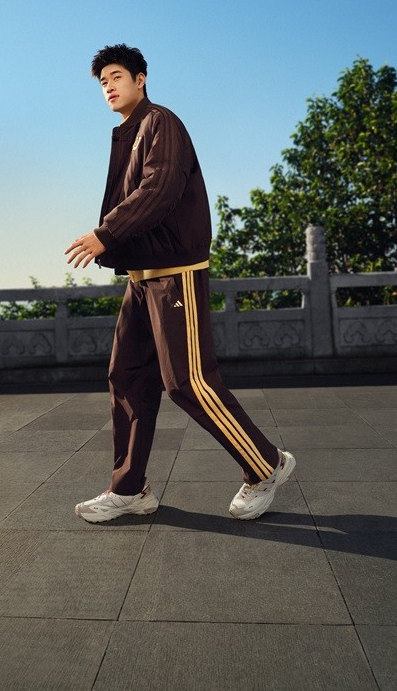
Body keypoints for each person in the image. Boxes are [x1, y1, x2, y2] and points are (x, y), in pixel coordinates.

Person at [64, 44, 295, 523]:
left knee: (188, 382)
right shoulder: (128, 133)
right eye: (102, 82)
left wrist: (106, 234)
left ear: (141, 79)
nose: (108, 87)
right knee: (127, 377)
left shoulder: (160, 122)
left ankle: (265, 465)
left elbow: (161, 187)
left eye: (116, 77)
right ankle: (130, 490)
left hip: (175, 274)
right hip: (141, 279)